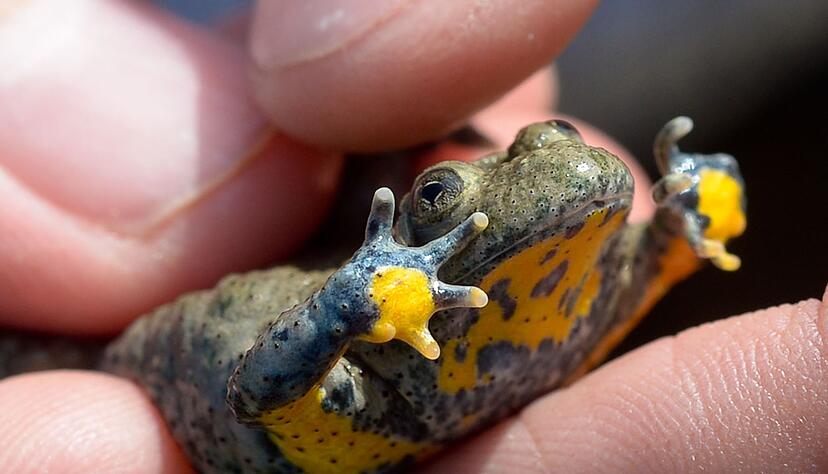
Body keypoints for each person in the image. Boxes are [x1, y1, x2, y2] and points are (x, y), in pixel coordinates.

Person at [0, 1, 825, 472]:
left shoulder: (606, 281)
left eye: (557, 140)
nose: (566, 168)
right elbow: (256, 393)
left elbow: (674, 249)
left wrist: (694, 207)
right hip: (119, 374)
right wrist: (345, 311)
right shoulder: (362, 377)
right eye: (439, 199)